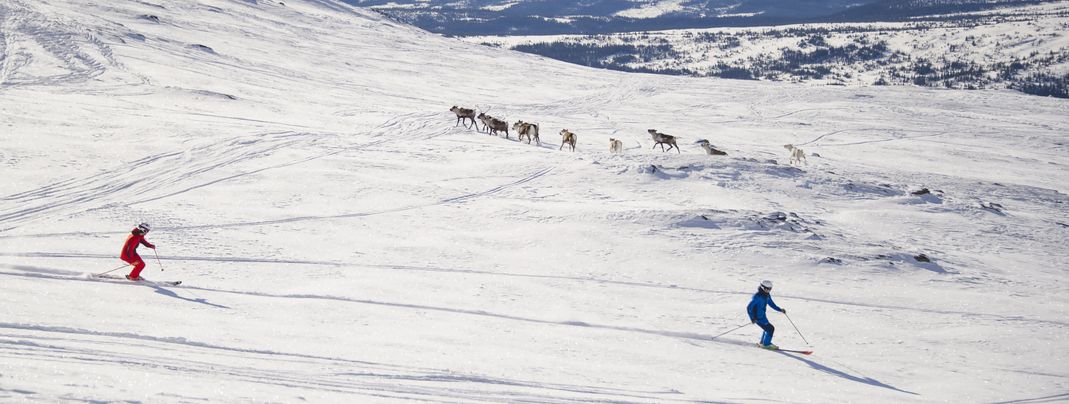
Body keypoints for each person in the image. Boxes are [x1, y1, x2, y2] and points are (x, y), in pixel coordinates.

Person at [747, 280, 786, 350]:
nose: (768, 290)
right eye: (766, 289)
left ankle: (763, 342)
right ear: (762, 287)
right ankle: (766, 344)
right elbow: (749, 308)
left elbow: (771, 304)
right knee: (770, 329)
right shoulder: (757, 297)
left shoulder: (767, 295)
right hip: (757, 318)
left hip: (762, 316)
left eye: (770, 289)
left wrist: (780, 309)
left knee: (767, 329)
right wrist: (752, 318)